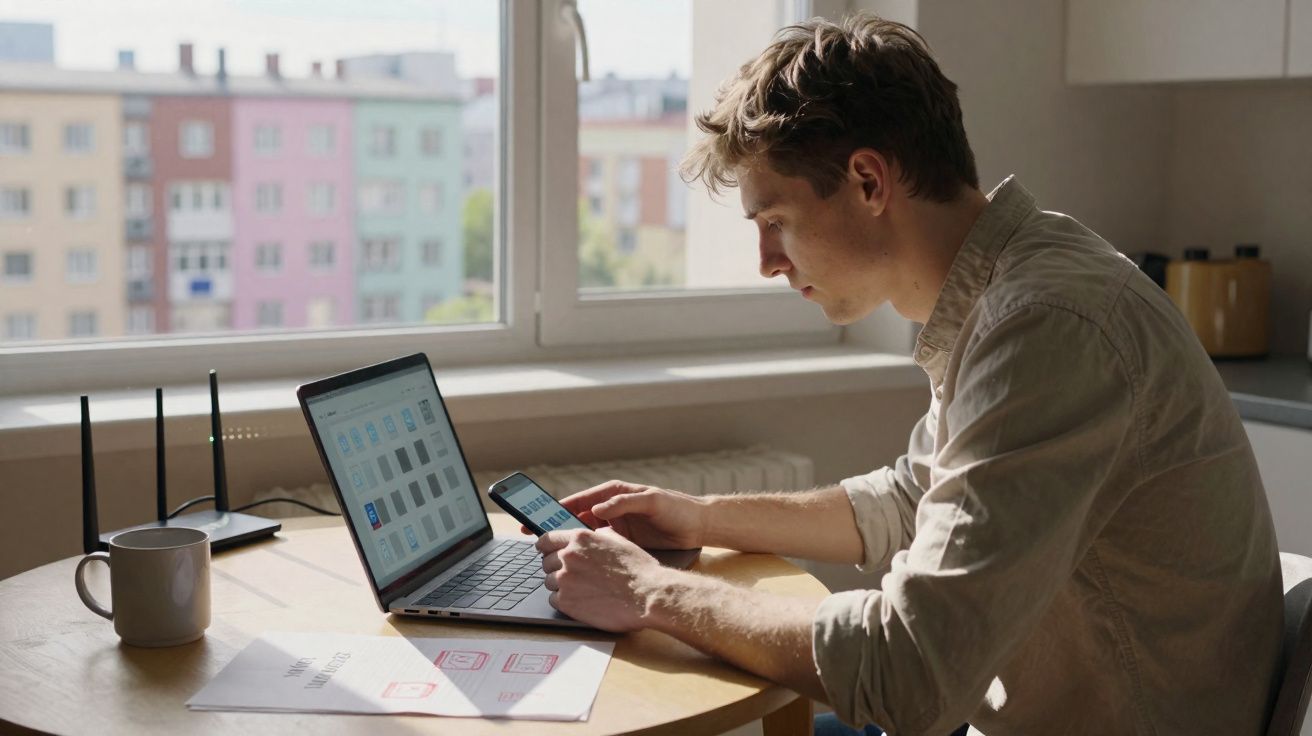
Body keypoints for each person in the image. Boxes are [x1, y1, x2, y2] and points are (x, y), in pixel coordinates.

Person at [533, 13, 1283, 735]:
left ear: (867, 182)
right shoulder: (1009, 289)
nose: (766, 262)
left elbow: (908, 672)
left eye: (776, 222)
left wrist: (649, 589)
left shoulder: (1046, 326)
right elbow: (910, 499)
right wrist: (700, 517)